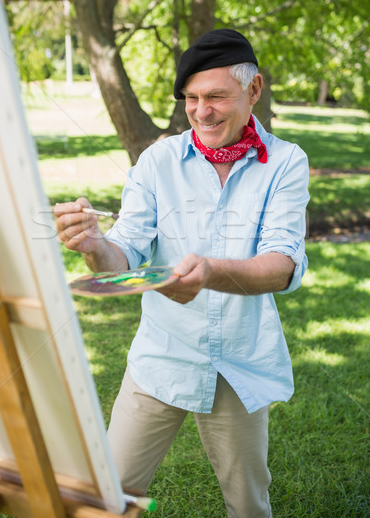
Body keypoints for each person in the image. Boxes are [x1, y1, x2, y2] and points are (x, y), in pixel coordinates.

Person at [55, 29, 310, 518]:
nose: (201, 111)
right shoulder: (158, 161)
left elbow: (282, 265)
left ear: (254, 90)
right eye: (191, 98)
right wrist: (93, 245)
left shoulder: (285, 163)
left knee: (248, 504)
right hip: (161, 358)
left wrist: (211, 270)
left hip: (239, 362)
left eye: (216, 96)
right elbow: (123, 255)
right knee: (110, 497)